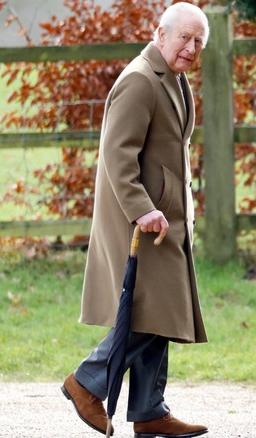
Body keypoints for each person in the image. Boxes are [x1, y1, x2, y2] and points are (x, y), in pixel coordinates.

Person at [60, 3, 209, 437]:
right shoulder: (141, 80)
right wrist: (142, 208)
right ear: (160, 34)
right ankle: (86, 382)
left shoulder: (173, 78)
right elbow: (117, 154)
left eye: (198, 41)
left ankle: (148, 410)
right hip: (140, 222)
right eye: (184, 37)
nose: (191, 47)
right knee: (150, 311)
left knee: (160, 311)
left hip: (163, 221)